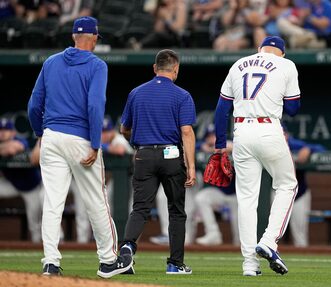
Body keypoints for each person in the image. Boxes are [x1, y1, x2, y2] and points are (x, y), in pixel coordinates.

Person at [27, 16, 132, 278]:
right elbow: (95, 106)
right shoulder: (97, 65)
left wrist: (41, 133)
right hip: (80, 138)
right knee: (97, 201)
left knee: (52, 203)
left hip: (51, 137)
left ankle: (50, 263)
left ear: (74, 36)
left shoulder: (51, 62)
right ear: (94, 37)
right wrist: (96, 144)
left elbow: (33, 106)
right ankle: (108, 261)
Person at [213, 36, 301, 276]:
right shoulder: (287, 64)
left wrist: (220, 145)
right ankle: (270, 240)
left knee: (247, 200)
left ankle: (249, 264)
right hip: (269, 128)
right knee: (287, 185)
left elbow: (222, 110)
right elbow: (293, 108)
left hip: (241, 132)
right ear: (281, 52)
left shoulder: (239, 64)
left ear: (258, 49)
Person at [119, 49, 196, 275]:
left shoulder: (136, 93)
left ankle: (127, 248)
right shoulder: (182, 95)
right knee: (176, 211)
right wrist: (191, 166)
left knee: (140, 208)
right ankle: (175, 264)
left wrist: (136, 142)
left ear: (155, 68)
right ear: (176, 69)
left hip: (143, 155)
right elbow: (187, 132)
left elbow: (124, 129)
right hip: (172, 155)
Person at [194, 124, 239, 246]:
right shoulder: (203, 147)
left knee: (240, 236)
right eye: (209, 136)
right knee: (201, 198)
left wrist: (222, 148)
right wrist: (205, 148)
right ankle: (213, 234)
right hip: (219, 192)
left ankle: (240, 245)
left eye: (214, 135)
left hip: (237, 194)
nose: (212, 138)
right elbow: (193, 146)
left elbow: (235, 146)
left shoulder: (231, 144)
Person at [0, 116, 43, 243]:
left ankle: (36, 247)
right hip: (12, 185)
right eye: (0, 129)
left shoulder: (20, 140)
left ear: (13, 132)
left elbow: (13, 148)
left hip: (31, 187)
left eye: (6, 130)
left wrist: (4, 148)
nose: (2, 133)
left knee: (33, 222)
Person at [281, 126, 326, 247]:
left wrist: (308, 149)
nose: (281, 136)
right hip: (276, 192)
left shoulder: (295, 144)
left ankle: (301, 258)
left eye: (283, 133)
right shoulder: (267, 144)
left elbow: (322, 149)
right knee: (272, 231)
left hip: (299, 193)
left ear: (287, 134)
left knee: (300, 233)